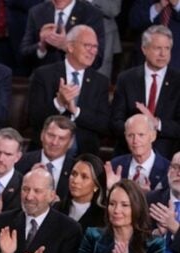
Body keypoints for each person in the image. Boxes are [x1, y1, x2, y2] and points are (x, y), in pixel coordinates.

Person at [27, 25, 110, 156]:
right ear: (70, 47)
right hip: (46, 149)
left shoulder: (100, 82)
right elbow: (34, 118)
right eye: (87, 45)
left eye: (95, 47)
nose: (93, 51)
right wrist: (59, 103)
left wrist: (76, 111)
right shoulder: (44, 75)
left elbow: (104, 124)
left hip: (83, 154)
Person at [110, 25, 180, 157]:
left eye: (167, 48)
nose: (163, 54)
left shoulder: (178, 82)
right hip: (129, 153)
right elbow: (115, 121)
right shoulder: (126, 79)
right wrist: (137, 130)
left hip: (166, 156)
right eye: (157, 48)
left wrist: (156, 123)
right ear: (144, 49)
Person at [19, 0, 105, 71]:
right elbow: (23, 57)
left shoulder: (91, 14)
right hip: (42, 80)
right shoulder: (37, 12)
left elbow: (97, 61)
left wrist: (65, 46)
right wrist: (42, 46)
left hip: (76, 81)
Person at [15, 115, 76, 202]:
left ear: (70, 142)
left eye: (62, 138)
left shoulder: (75, 168)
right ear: (42, 135)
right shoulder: (20, 161)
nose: (54, 142)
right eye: (51, 135)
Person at [106, 113, 170, 192]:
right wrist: (112, 189)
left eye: (141, 135)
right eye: (130, 135)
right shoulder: (115, 165)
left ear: (153, 136)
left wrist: (150, 196)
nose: (135, 141)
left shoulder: (168, 170)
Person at [56, 153, 107, 231]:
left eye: (84, 177)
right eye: (74, 174)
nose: (75, 181)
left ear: (96, 185)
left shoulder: (104, 217)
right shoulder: (57, 208)